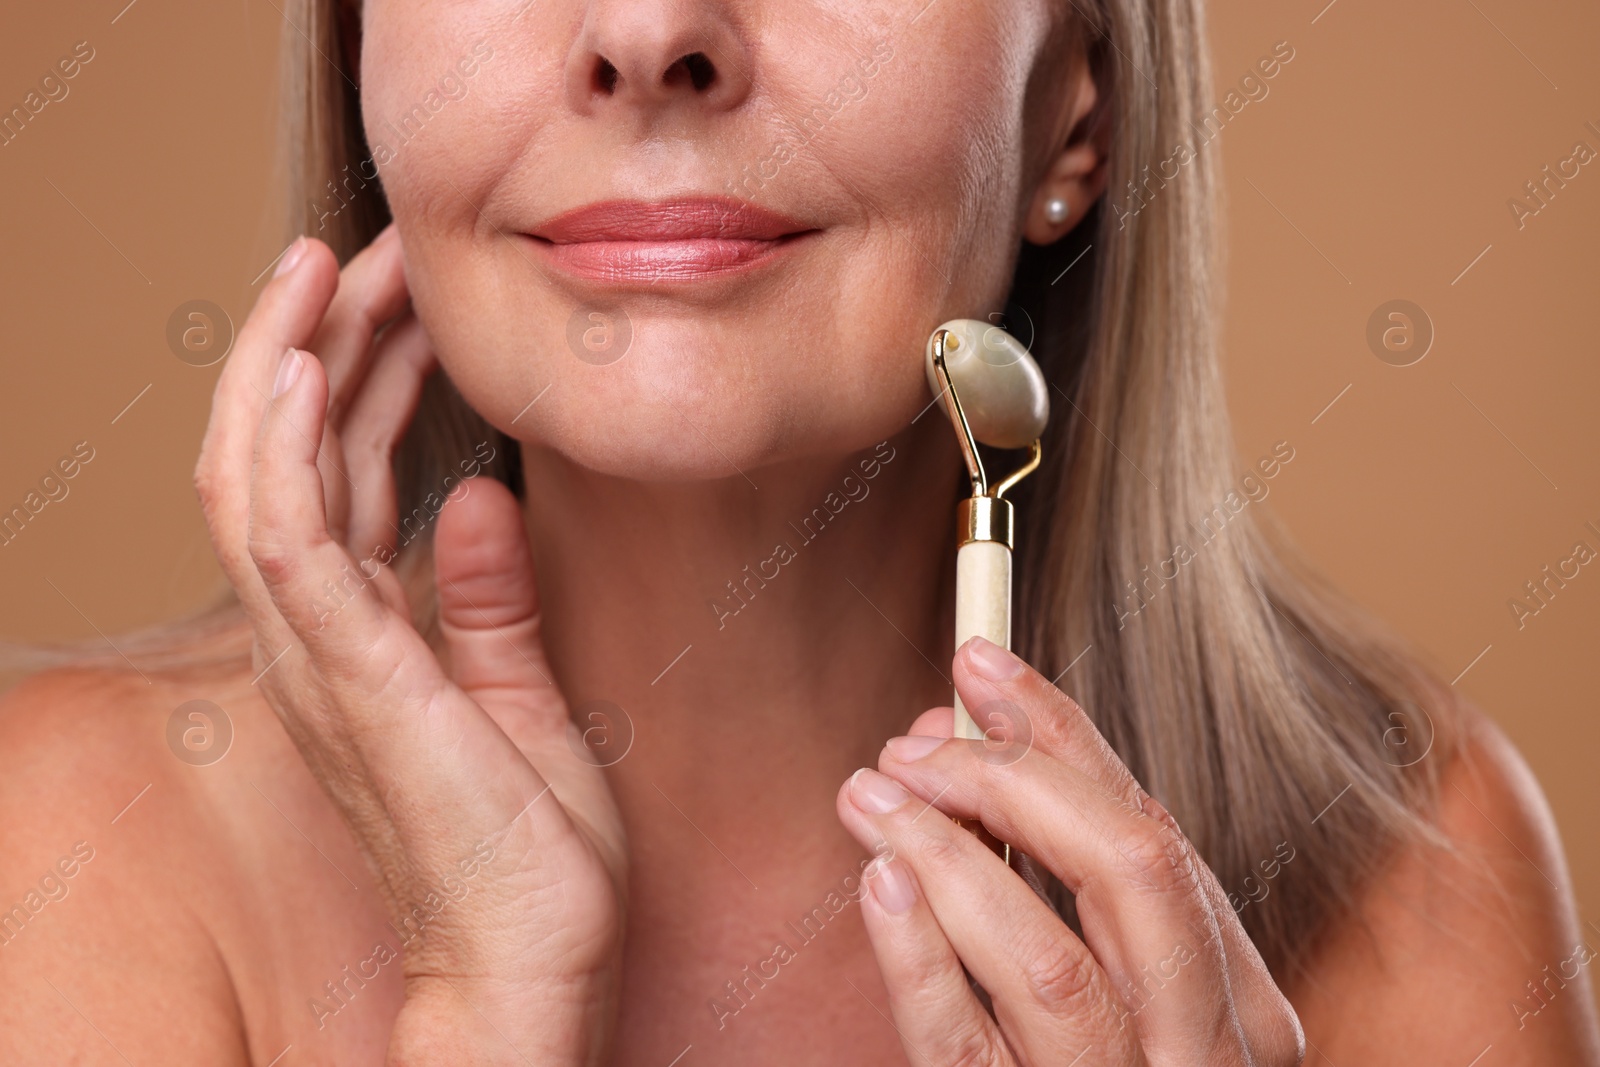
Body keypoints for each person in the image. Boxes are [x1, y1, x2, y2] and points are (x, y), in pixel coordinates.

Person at [1, 0, 1595, 1063]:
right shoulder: (63, 857)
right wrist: (491, 1007)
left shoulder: (1416, 878)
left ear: (1076, 107)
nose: (649, 30)